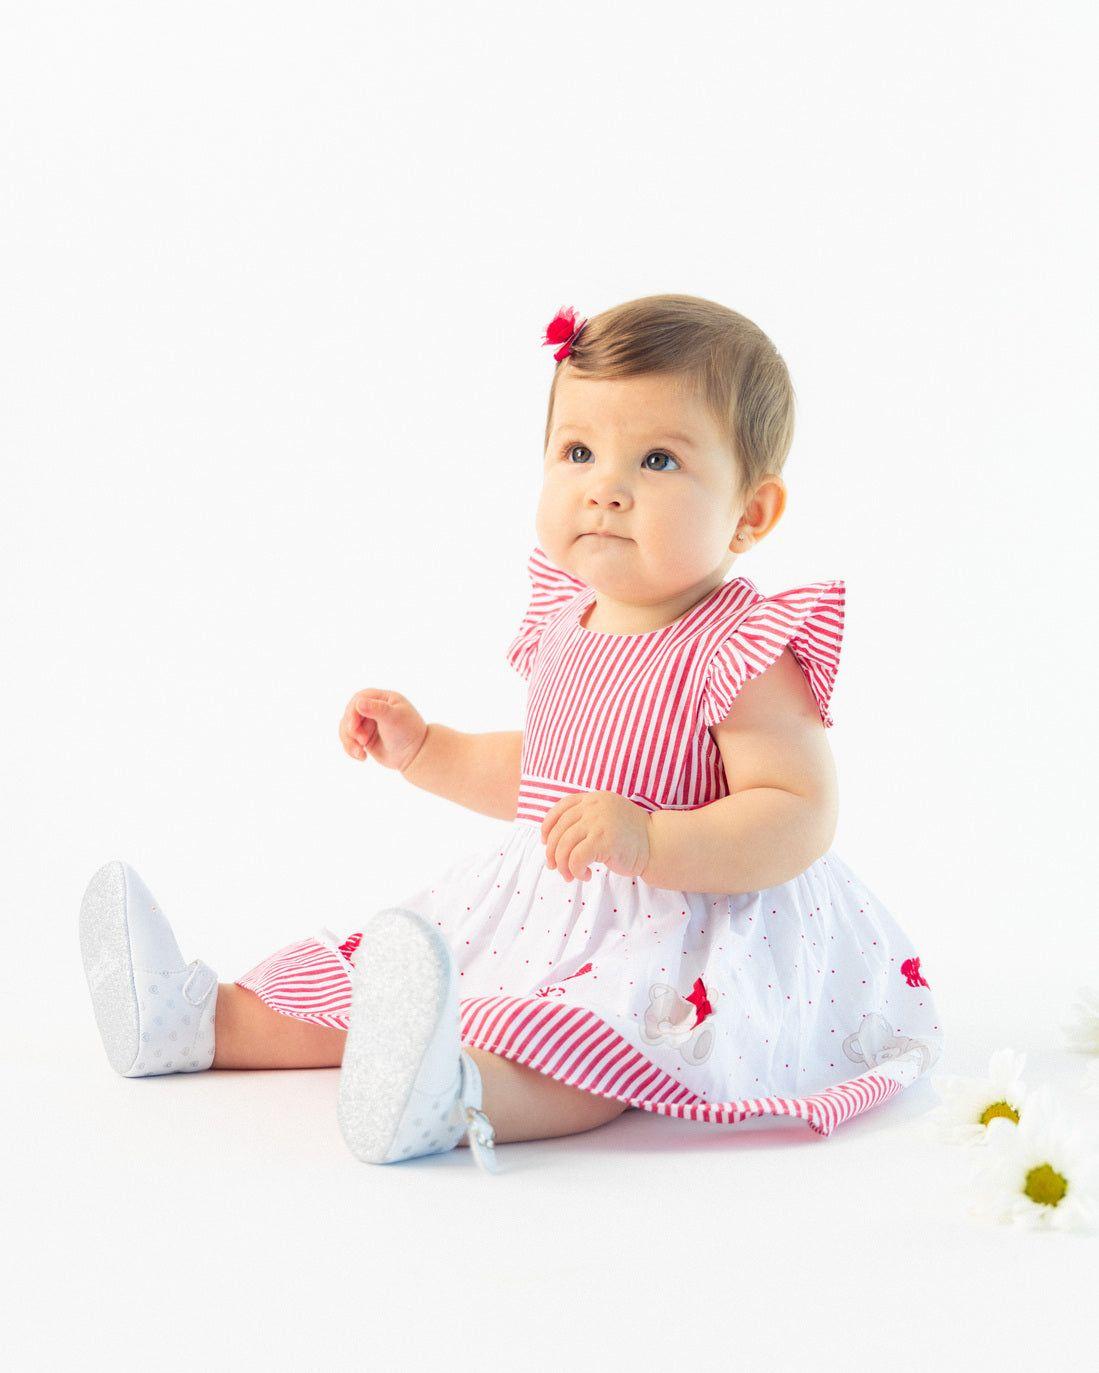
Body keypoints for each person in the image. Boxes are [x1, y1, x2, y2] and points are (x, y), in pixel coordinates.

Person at [79, 294, 944, 1175]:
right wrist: (428, 750)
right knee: (386, 977)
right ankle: (202, 1020)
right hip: (540, 902)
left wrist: (650, 839)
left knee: (595, 1040)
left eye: (657, 460)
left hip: (675, 922)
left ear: (751, 512)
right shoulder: (569, 620)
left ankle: (451, 1093)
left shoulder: (740, 647)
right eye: (578, 452)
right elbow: (543, 771)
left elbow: (796, 808)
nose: (605, 487)